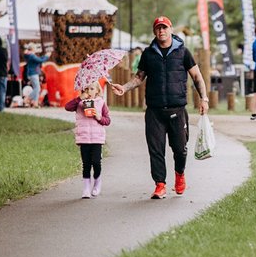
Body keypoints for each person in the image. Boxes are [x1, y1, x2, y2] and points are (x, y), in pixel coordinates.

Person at [111, 16, 209, 199]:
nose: (161, 31)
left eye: (164, 28)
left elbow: (197, 77)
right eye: (158, 28)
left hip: (177, 109)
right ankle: (160, 185)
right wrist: (124, 88)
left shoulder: (183, 52)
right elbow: (139, 77)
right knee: (155, 149)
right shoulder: (148, 54)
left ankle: (180, 175)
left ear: (171, 29)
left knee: (180, 149)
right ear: (154, 31)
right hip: (154, 111)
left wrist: (204, 98)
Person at [65, 81, 111, 198]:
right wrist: (80, 98)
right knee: (86, 164)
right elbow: (67, 107)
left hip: (97, 138)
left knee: (96, 162)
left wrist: (98, 117)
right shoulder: (79, 103)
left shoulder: (101, 103)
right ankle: (86, 188)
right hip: (84, 137)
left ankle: (97, 182)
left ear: (97, 91)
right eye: (86, 89)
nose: (88, 92)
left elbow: (107, 120)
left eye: (91, 89)